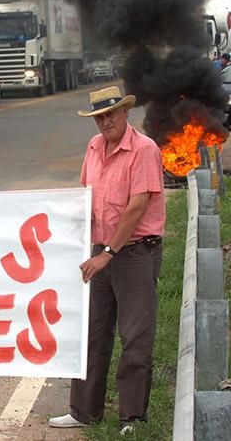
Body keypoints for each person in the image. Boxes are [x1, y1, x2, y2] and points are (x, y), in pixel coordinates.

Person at [49, 86, 165, 435]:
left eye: (110, 114)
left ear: (125, 113)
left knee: (134, 335)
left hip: (133, 253)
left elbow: (137, 205)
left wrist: (108, 253)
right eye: (99, 117)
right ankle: (84, 411)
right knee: (93, 332)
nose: (105, 121)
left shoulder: (144, 150)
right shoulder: (94, 147)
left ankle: (132, 418)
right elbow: (85, 196)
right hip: (100, 250)